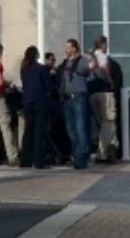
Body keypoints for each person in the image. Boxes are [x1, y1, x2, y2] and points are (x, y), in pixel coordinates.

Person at [57, 38, 92, 169]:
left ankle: (82, 157)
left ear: (74, 48)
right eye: (65, 47)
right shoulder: (65, 63)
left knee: (80, 128)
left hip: (79, 98)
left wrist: (93, 55)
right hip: (67, 99)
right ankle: (76, 155)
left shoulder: (82, 61)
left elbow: (92, 67)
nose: (65, 49)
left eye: (68, 47)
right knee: (71, 130)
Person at [19, 45, 53, 169]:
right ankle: (38, 161)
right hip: (40, 101)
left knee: (28, 131)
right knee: (40, 132)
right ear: (36, 55)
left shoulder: (23, 69)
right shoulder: (41, 69)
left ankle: (25, 160)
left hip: (27, 102)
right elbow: (48, 86)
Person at [87, 35, 117, 163]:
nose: (107, 46)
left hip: (92, 93)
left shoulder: (89, 57)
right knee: (108, 123)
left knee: (100, 123)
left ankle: (104, 149)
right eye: (106, 44)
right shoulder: (103, 56)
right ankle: (104, 152)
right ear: (103, 44)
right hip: (104, 93)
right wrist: (111, 81)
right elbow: (104, 69)